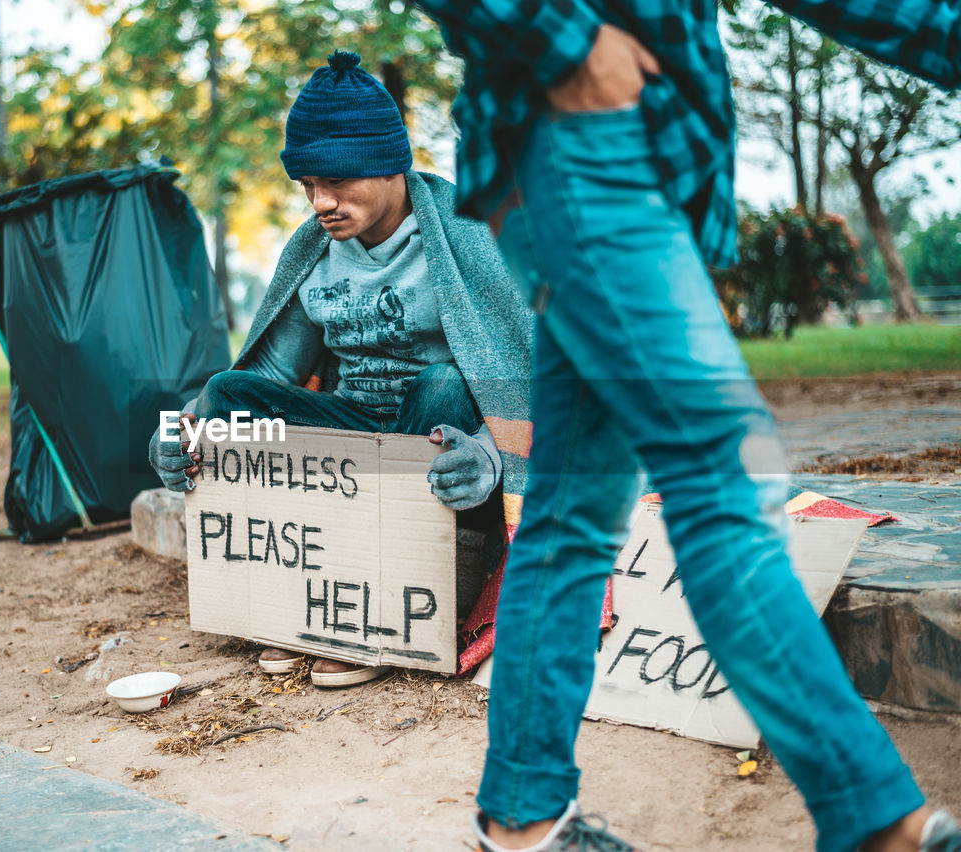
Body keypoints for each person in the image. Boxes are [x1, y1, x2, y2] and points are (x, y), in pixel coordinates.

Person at [409, 3, 961, 851]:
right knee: (721, 485)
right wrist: (573, 47)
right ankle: (874, 819)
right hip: (580, 142)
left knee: (570, 514)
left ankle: (521, 820)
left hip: (634, 160)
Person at [148, 50, 533, 689]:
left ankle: (393, 614)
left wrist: (490, 456)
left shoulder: (470, 232)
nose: (320, 201)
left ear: (389, 163)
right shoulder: (314, 252)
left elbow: (526, 368)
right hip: (355, 437)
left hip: (441, 440)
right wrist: (188, 429)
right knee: (223, 390)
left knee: (440, 382)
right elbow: (268, 374)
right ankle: (301, 603)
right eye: (306, 185)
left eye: (337, 181)